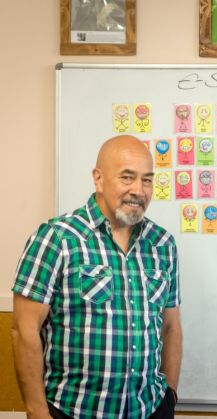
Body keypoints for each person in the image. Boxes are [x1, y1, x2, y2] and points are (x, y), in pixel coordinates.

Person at [11, 135, 182, 419]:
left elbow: (171, 327)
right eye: (127, 177)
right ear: (98, 179)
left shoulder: (163, 244)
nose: (139, 190)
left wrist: (170, 398)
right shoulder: (57, 238)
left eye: (147, 180)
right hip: (73, 412)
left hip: (149, 410)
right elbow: (24, 329)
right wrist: (36, 411)